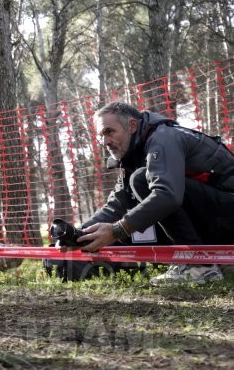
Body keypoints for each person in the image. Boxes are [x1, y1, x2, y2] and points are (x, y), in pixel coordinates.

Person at [75, 101, 234, 285]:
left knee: (142, 181)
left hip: (227, 213)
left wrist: (118, 230)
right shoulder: (133, 154)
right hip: (217, 216)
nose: (105, 142)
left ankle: (198, 265)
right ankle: (211, 261)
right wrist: (78, 235)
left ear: (132, 126)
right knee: (142, 196)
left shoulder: (163, 139)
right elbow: (116, 205)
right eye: (101, 136)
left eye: (109, 132)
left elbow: (167, 196)